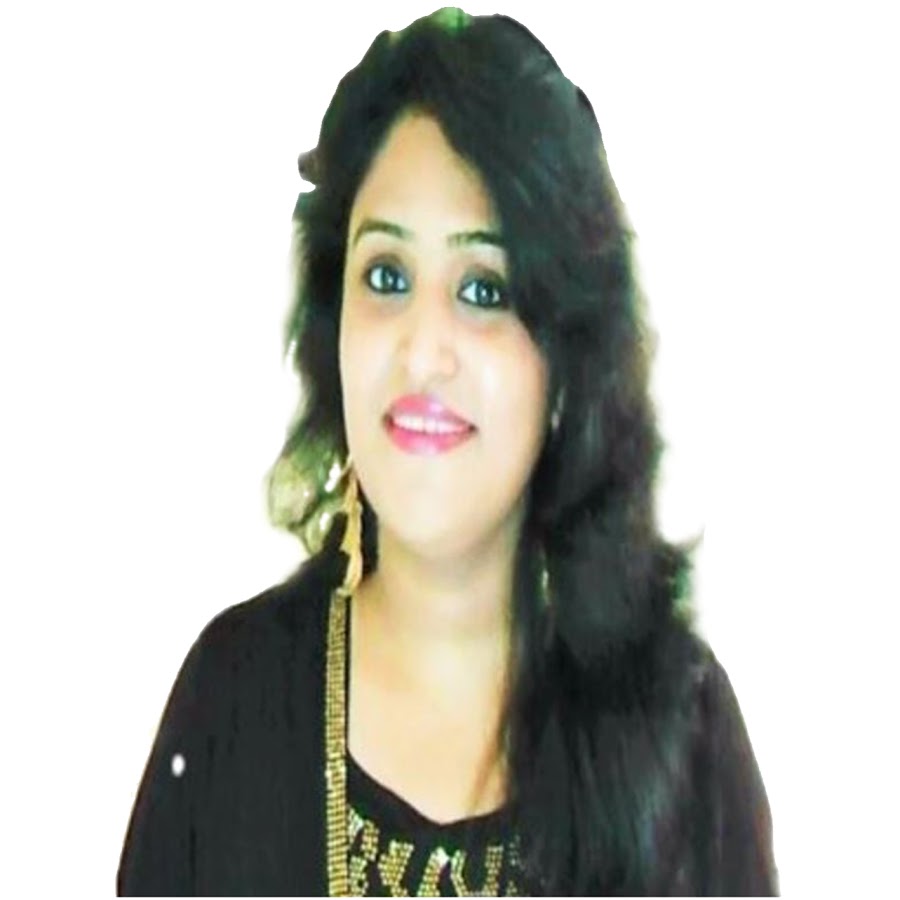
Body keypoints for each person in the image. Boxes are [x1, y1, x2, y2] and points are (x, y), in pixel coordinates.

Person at [117, 8, 777, 895]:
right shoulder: (234, 698)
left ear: (566, 365)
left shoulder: (679, 733)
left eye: (484, 288)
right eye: (386, 277)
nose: (423, 351)